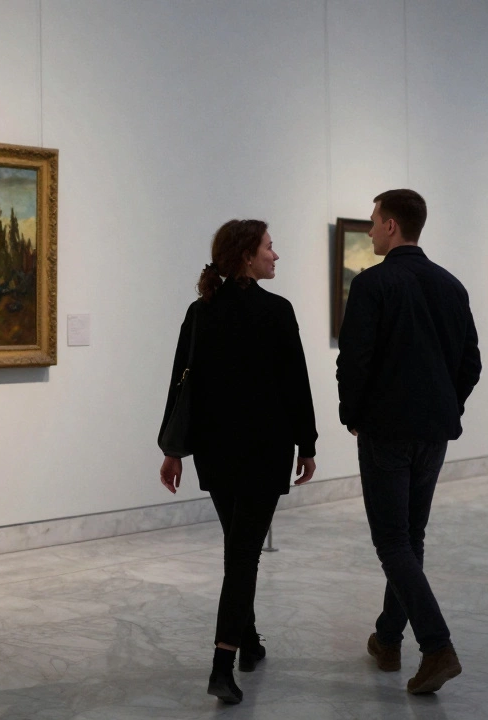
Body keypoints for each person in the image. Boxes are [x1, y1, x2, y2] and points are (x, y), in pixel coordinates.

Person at [158, 219, 318, 705]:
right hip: (264, 450)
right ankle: (222, 663)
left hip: (215, 450)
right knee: (244, 554)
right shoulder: (277, 311)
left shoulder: (200, 311)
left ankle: (248, 641)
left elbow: (179, 384)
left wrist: (172, 449)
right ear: (247, 256)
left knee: (239, 544)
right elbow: (296, 384)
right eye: (270, 247)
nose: (276, 255)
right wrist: (307, 444)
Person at [336, 189, 481, 696]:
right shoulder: (451, 285)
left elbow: (354, 360)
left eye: (374, 221)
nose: (371, 230)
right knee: (410, 537)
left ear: (392, 226)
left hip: (386, 431)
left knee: (393, 541)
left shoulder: (373, 284)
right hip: (433, 432)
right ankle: (388, 638)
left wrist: (352, 416)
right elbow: (471, 365)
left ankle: (436, 646)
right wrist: (445, 405)